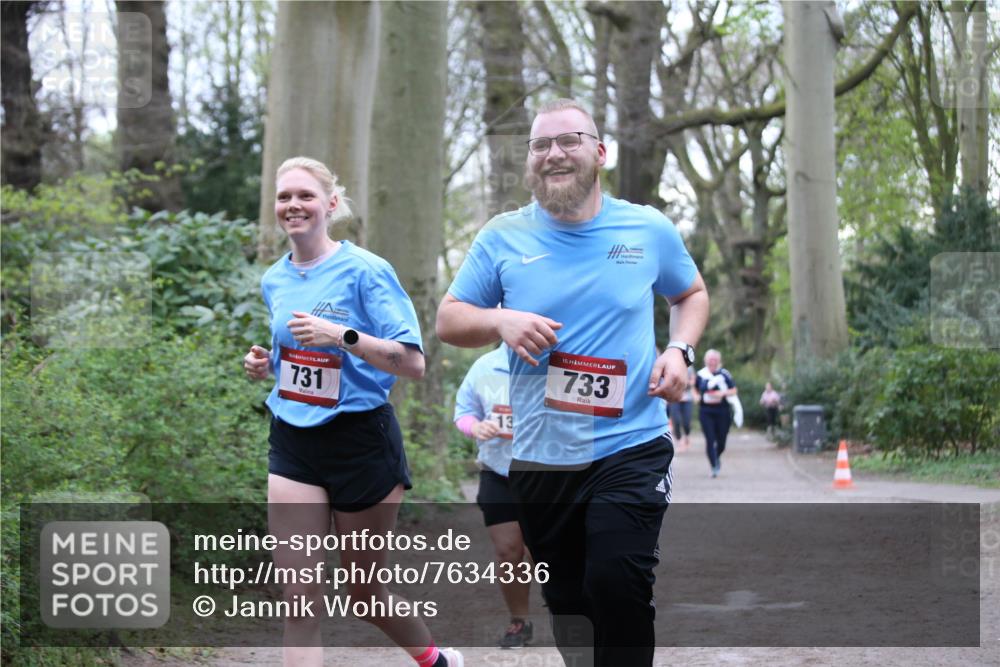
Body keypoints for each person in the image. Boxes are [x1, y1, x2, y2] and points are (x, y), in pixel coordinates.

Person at [436, 99, 709, 667]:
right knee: (568, 600)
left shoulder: (647, 228)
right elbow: (448, 320)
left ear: (599, 152)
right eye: (540, 145)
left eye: (569, 141)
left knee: (617, 580)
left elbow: (690, 293)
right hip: (542, 456)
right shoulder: (502, 237)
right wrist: (500, 321)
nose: (553, 154)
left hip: (630, 442)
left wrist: (679, 350)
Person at [243, 157, 462, 667]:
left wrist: (341, 336)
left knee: (364, 594)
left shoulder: (367, 271)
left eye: (305, 195)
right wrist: (265, 363)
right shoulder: (275, 279)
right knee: (299, 600)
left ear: (331, 204)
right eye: (284, 196)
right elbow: (296, 359)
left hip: (361, 443)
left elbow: (413, 364)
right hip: (294, 441)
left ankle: (435, 660)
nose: (293, 205)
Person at [453, 343, 534, 649]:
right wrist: (476, 427)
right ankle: (520, 622)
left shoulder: (554, 362)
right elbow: (463, 414)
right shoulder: (485, 366)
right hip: (497, 471)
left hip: (546, 473)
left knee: (544, 551)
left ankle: (567, 609)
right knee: (507, 552)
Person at [695, 349, 737, 478]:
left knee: (721, 441)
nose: (712, 362)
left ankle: (717, 456)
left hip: (722, 410)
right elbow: (695, 389)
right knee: (710, 439)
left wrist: (721, 393)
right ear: (706, 361)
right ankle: (714, 466)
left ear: (719, 361)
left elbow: (734, 390)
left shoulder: (724, 374)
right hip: (706, 411)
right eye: (710, 360)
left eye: (715, 360)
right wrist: (697, 397)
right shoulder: (701, 374)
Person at [669, 367, 696, 451]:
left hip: (687, 399)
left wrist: (683, 382)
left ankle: (687, 436)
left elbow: (693, 381)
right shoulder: (671, 365)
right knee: (676, 420)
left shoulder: (689, 367)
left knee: (686, 422)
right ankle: (679, 440)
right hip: (675, 398)